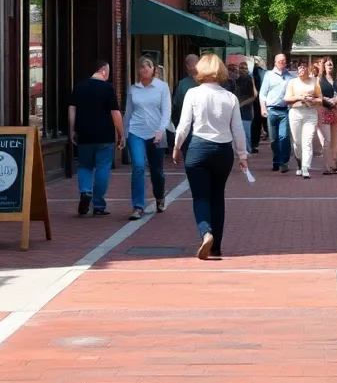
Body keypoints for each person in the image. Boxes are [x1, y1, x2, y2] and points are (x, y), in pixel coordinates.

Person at [173, 54, 248, 260]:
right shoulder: (230, 97)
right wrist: (242, 154)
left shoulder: (193, 93)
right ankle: (217, 246)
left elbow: (184, 124)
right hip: (223, 150)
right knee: (217, 196)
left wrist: (177, 146)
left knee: (200, 196)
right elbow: (238, 129)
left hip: (198, 147)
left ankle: (206, 232)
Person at [68, 59, 125, 217]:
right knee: (103, 167)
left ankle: (85, 192)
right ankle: (99, 204)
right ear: (104, 71)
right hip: (104, 135)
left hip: (84, 134)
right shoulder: (108, 88)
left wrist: (72, 129)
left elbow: (72, 110)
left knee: (84, 166)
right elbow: (115, 113)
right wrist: (121, 134)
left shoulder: (79, 87)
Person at [125, 57, 171, 220]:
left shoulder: (162, 87)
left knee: (156, 170)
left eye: (148, 66)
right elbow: (128, 113)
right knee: (138, 166)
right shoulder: (133, 89)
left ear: (153, 69)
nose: (144, 69)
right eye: (141, 67)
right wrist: (123, 134)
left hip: (155, 133)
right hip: (136, 132)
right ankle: (138, 206)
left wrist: (160, 131)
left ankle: (159, 197)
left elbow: (166, 111)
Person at [285, 61, 322, 178]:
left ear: (307, 69)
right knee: (297, 142)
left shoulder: (314, 82)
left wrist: (312, 100)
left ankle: (306, 167)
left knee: (307, 141)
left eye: (303, 67)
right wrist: (300, 98)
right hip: (295, 112)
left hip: (310, 113)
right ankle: (299, 163)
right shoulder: (292, 82)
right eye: (299, 67)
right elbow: (287, 99)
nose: (301, 69)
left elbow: (320, 99)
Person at [259, 54, 294, 172]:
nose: (282, 63)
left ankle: (284, 162)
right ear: (275, 62)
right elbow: (262, 94)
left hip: (284, 111)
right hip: (271, 110)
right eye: (279, 61)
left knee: (284, 137)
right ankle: (276, 160)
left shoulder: (290, 77)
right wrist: (263, 108)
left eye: (284, 61)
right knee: (273, 139)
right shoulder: (268, 75)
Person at [317, 57, 337, 175]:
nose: (330, 66)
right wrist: (325, 100)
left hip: (336, 111)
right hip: (324, 111)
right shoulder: (319, 80)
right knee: (327, 140)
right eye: (328, 65)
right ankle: (327, 166)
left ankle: (334, 165)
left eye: (331, 65)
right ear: (324, 67)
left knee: (335, 140)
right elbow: (317, 95)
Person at [234, 60, 258, 150]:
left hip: (247, 110)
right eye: (241, 68)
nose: (243, 70)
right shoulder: (236, 81)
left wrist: (242, 104)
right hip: (238, 110)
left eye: (245, 68)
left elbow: (254, 96)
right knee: (239, 132)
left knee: (246, 133)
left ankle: (248, 150)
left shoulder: (249, 79)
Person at [249, 57, 267, 153]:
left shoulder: (251, 73)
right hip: (261, 98)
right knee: (259, 120)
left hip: (254, 99)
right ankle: (255, 142)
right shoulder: (263, 72)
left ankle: (253, 143)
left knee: (255, 121)